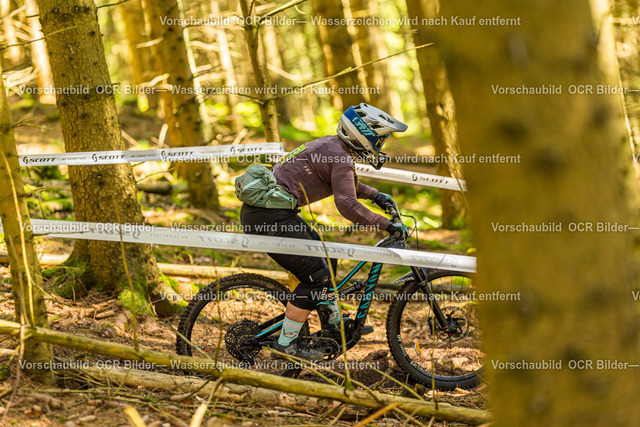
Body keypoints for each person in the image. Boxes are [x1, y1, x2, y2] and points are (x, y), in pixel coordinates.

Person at [240, 103, 410, 360]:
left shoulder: (333, 146)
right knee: (316, 277)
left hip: (270, 214)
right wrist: (386, 224)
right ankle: (286, 344)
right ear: (364, 135)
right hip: (269, 218)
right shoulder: (339, 156)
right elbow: (347, 203)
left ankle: (333, 324)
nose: (380, 147)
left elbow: (344, 183)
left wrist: (376, 196)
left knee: (327, 261)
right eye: (379, 140)